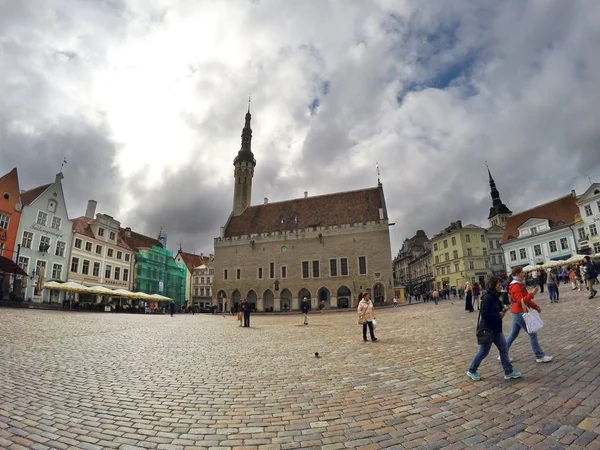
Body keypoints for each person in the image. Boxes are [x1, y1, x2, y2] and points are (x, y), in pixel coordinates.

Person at [467, 277, 522, 381]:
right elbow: (484, 314)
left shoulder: (496, 296)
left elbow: (496, 310)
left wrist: (503, 310)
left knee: (504, 349)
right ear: (493, 285)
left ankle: (508, 372)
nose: (500, 286)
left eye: (501, 285)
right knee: (484, 351)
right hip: (487, 329)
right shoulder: (487, 297)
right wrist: (498, 315)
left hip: (496, 328)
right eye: (498, 285)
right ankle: (471, 370)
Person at [506, 267, 553, 363]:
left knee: (513, 334)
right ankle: (539, 356)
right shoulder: (516, 286)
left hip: (516, 311)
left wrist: (535, 306)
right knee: (532, 333)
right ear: (517, 274)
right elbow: (521, 301)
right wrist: (532, 294)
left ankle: (502, 354)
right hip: (519, 312)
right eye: (522, 272)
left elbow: (524, 300)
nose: (524, 274)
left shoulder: (517, 284)